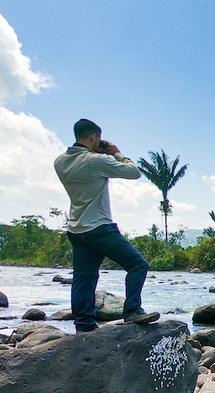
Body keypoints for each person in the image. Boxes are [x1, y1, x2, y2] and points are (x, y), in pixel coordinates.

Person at [54, 118, 159, 333]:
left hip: (76, 229)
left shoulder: (60, 162)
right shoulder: (95, 161)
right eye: (98, 138)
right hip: (99, 228)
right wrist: (116, 153)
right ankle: (132, 311)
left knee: (84, 278)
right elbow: (133, 172)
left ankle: (84, 327)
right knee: (138, 265)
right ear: (94, 137)